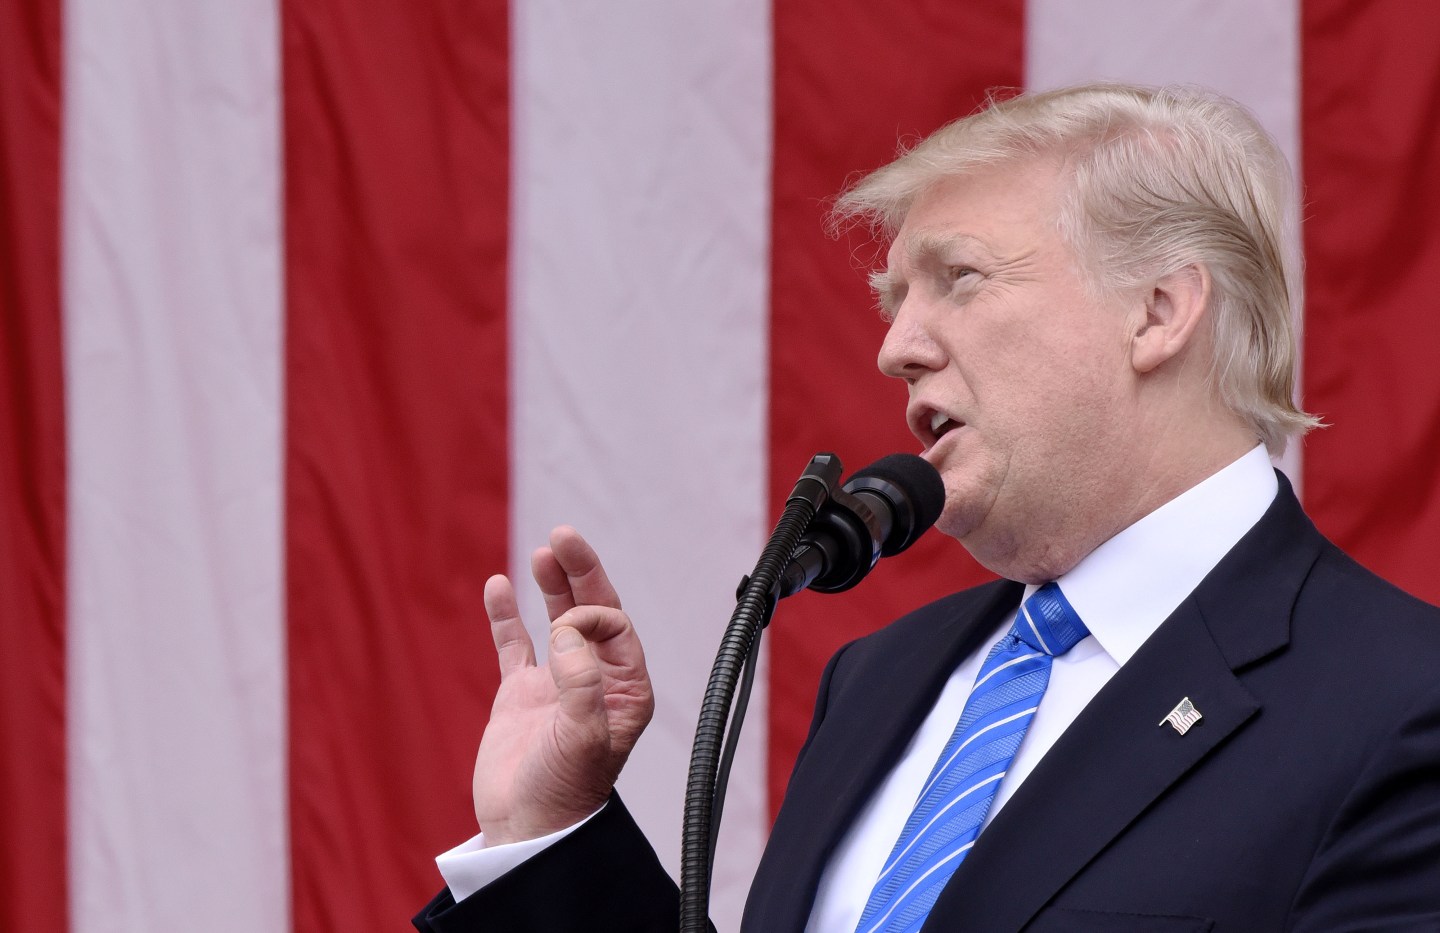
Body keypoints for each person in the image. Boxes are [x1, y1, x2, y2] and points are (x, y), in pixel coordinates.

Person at [413, 84, 1440, 932]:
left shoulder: (1401, 705)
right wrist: (552, 831)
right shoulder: (883, 677)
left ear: (1158, 311)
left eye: (960, 279)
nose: (896, 346)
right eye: (893, 298)